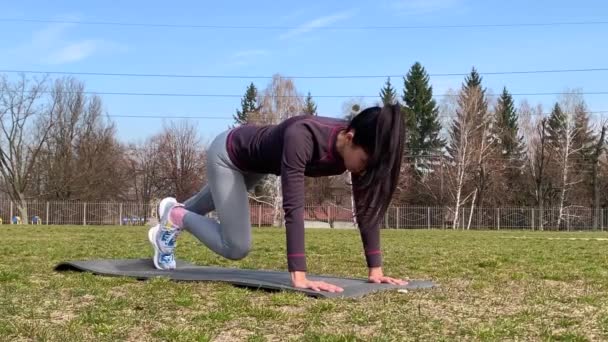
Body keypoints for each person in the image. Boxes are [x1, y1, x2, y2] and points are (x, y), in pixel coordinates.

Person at [148, 104, 408, 293]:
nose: (363, 171)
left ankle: (173, 214)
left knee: (201, 207)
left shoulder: (359, 148)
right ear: (349, 138)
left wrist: (376, 270)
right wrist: (299, 275)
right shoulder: (303, 136)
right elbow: (293, 207)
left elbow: (367, 208)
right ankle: (175, 216)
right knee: (236, 247)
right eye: (364, 162)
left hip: (254, 165)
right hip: (227, 154)